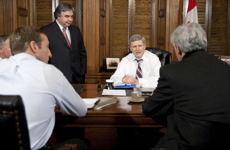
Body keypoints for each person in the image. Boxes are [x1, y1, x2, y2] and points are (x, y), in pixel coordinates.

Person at [142, 22, 230, 150]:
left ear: (178, 48)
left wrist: (153, 97)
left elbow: (149, 108)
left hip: (189, 143)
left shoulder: (171, 72)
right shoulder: (225, 68)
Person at [0, 26, 88, 150]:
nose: (50, 54)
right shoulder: (48, 72)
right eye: (47, 46)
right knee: (80, 143)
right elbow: (81, 110)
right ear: (34, 46)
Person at [41, 3, 87, 84]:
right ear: (58, 16)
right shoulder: (46, 31)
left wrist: (82, 72)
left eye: (71, 16)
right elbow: (43, 55)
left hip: (77, 78)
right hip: (56, 78)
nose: (70, 19)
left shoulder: (76, 30)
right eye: (67, 16)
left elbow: (82, 53)